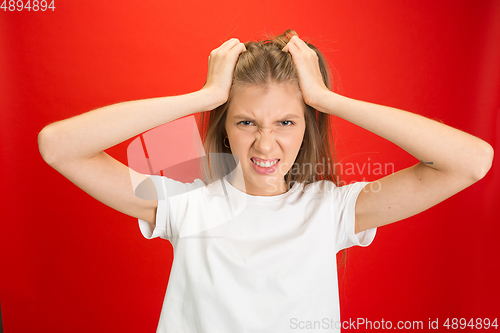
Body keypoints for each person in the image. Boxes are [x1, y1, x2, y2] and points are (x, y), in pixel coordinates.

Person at [38, 30, 494, 332]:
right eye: (246, 123)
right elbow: (57, 145)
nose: (265, 145)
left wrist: (327, 99)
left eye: (286, 123)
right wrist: (203, 96)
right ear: (224, 125)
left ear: (308, 126)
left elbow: (472, 161)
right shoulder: (187, 203)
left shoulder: (331, 210)